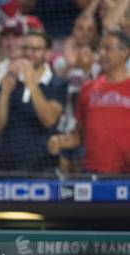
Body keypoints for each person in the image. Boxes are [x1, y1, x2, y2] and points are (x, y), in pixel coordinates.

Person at [49, 30, 130, 175]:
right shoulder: (87, 88)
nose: (101, 54)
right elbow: (80, 133)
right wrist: (64, 141)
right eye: (100, 49)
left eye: (108, 49)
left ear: (125, 52)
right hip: (93, 172)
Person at [0, 30, 67, 175]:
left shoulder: (57, 84)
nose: (29, 53)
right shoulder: (9, 81)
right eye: (25, 48)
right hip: (7, 169)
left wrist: (31, 83)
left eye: (35, 49)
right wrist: (4, 93)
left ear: (47, 53)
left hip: (43, 170)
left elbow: (49, 119)